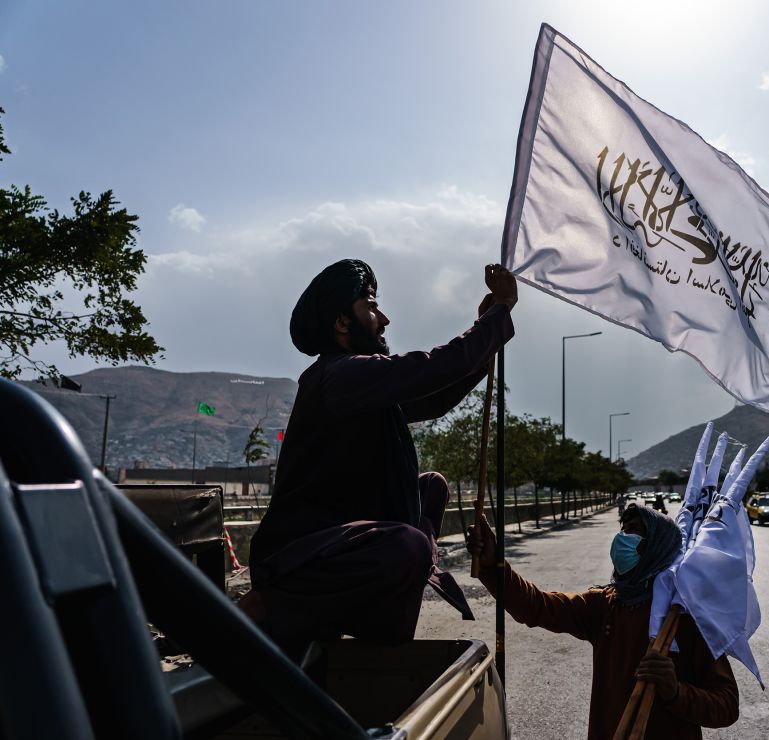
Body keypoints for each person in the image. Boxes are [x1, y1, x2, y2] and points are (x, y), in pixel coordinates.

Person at [242, 259, 517, 655]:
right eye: (371, 305)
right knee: (409, 546)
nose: (383, 318)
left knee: (432, 488)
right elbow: (433, 368)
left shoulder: (360, 383)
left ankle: (375, 608)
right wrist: (499, 313)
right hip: (300, 558)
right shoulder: (342, 375)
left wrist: (487, 335)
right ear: (341, 322)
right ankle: (271, 603)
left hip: (340, 539)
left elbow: (435, 395)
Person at [467, 503, 739, 740]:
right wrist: (494, 567)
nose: (623, 539)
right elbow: (537, 606)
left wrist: (675, 691)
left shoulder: (684, 614)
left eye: (634, 531)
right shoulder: (606, 603)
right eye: (623, 530)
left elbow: (727, 704)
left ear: (657, 545)